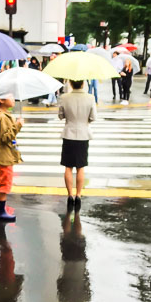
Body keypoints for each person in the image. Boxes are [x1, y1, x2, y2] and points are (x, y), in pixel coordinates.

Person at [58, 79, 97, 211]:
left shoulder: (64, 97)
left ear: (70, 83)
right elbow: (93, 117)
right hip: (83, 135)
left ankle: (70, 195)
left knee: (68, 166)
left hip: (68, 134)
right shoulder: (90, 98)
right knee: (80, 166)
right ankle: (78, 195)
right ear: (83, 83)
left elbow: (60, 116)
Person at [0, 93, 23, 221]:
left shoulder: (3, 115)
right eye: (10, 97)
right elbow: (5, 137)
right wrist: (18, 125)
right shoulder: (1, 117)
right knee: (6, 182)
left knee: (2, 179)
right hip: (4, 155)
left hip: (4, 153)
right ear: (1, 100)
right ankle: (0, 210)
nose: (13, 99)